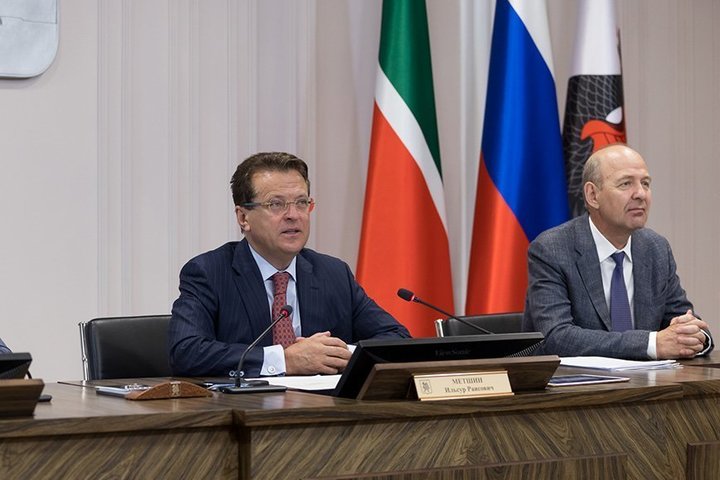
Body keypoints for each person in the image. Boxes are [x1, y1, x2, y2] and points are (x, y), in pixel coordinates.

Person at [169, 152, 410, 378]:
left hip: (324, 404)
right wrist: (284, 360)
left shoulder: (333, 273)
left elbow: (397, 338)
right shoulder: (209, 272)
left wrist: (340, 354)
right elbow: (187, 352)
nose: (293, 215)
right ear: (243, 218)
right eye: (276, 204)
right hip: (248, 406)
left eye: (301, 202)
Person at [523, 144, 712, 359]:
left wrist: (694, 335)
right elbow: (557, 338)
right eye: (626, 184)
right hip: (573, 380)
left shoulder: (655, 249)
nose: (641, 194)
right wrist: (651, 344)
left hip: (648, 379)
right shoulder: (552, 249)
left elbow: (687, 322)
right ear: (593, 195)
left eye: (645, 183)